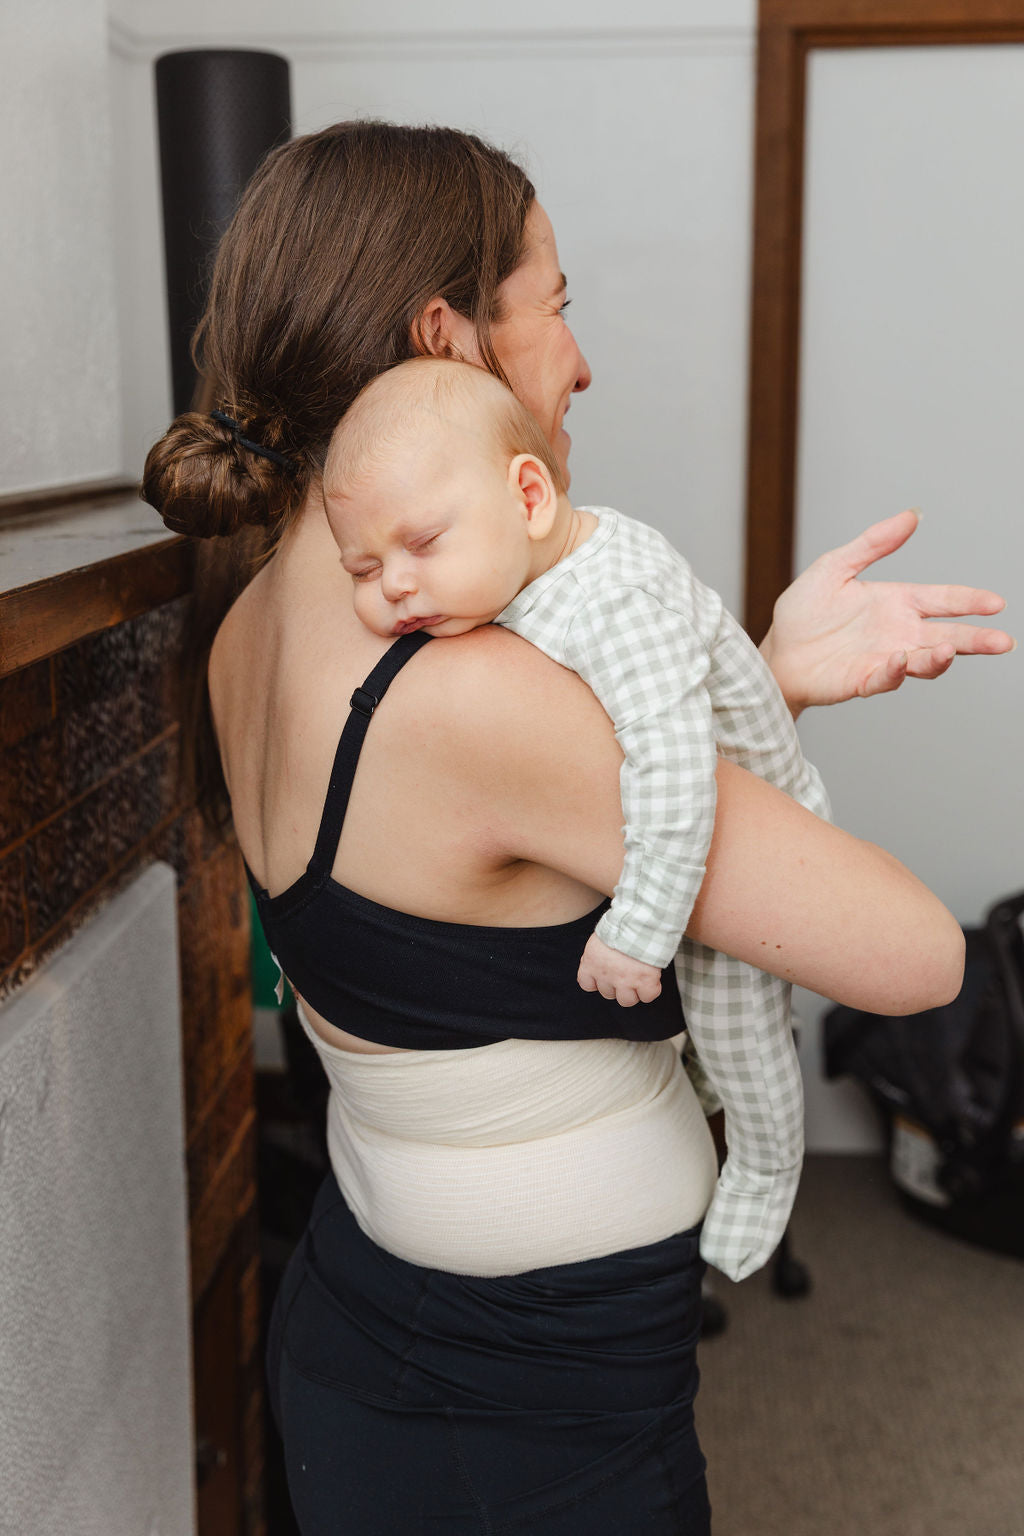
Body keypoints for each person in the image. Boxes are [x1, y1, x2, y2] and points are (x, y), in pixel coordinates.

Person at [141, 121, 1007, 1535]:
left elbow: (492, 859)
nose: (580, 358)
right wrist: (757, 698)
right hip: (525, 1412)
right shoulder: (475, 695)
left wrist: (759, 673)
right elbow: (915, 956)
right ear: (449, 335)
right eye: (556, 303)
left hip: (366, 1331)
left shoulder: (248, 625)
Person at [321, 355, 827, 1282]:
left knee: (740, 1023)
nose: (391, 583)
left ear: (528, 496)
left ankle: (765, 1165)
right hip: (645, 826)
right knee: (690, 1032)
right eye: (363, 565)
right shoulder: (507, 585)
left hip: (736, 832)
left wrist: (639, 932)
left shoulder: (615, 599)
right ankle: (707, 1078)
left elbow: (677, 779)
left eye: (422, 544)